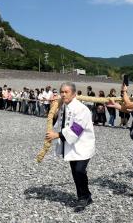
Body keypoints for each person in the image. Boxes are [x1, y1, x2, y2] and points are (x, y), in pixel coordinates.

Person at [46, 82, 95, 212]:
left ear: (73, 93)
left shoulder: (81, 109)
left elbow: (77, 129)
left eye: (66, 92)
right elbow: (58, 121)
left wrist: (57, 135)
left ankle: (84, 196)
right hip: (71, 145)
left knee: (79, 170)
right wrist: (53, 109)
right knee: (75, 171)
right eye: (61, 92)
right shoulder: (64, 107)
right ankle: (84, 196)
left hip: (83, 145)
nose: (63, 94)